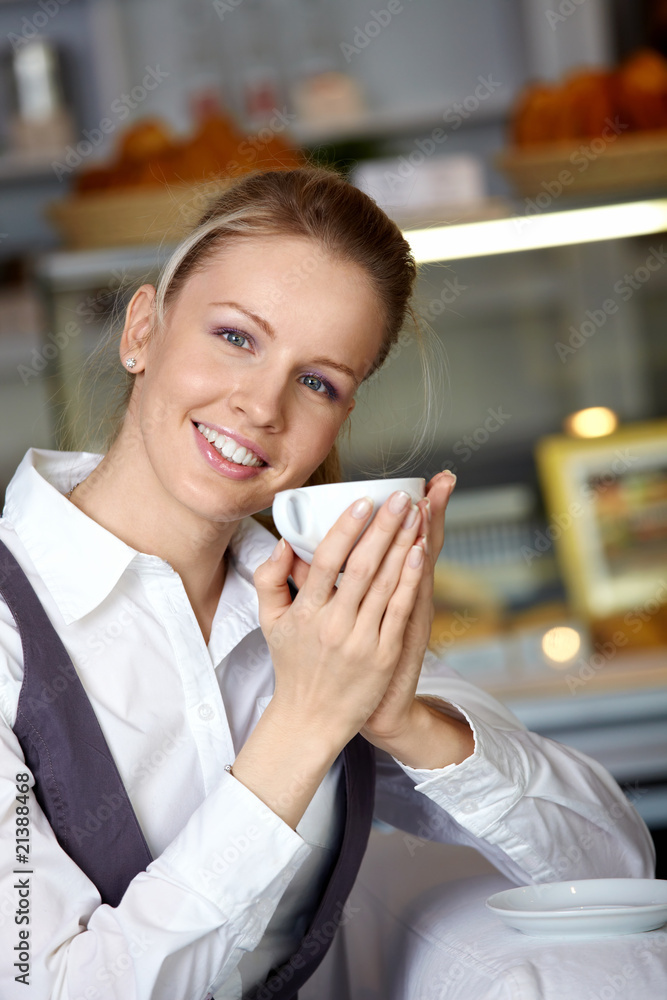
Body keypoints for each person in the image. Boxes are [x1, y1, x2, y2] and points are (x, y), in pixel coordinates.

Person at [0, 166, 654, 1000]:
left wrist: (398, 716)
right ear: (141, 332)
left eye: (317, 382)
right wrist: (307, 721)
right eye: (235, 337)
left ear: (339, 419)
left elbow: (613, 872)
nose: (261, 404)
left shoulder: (316, 618)